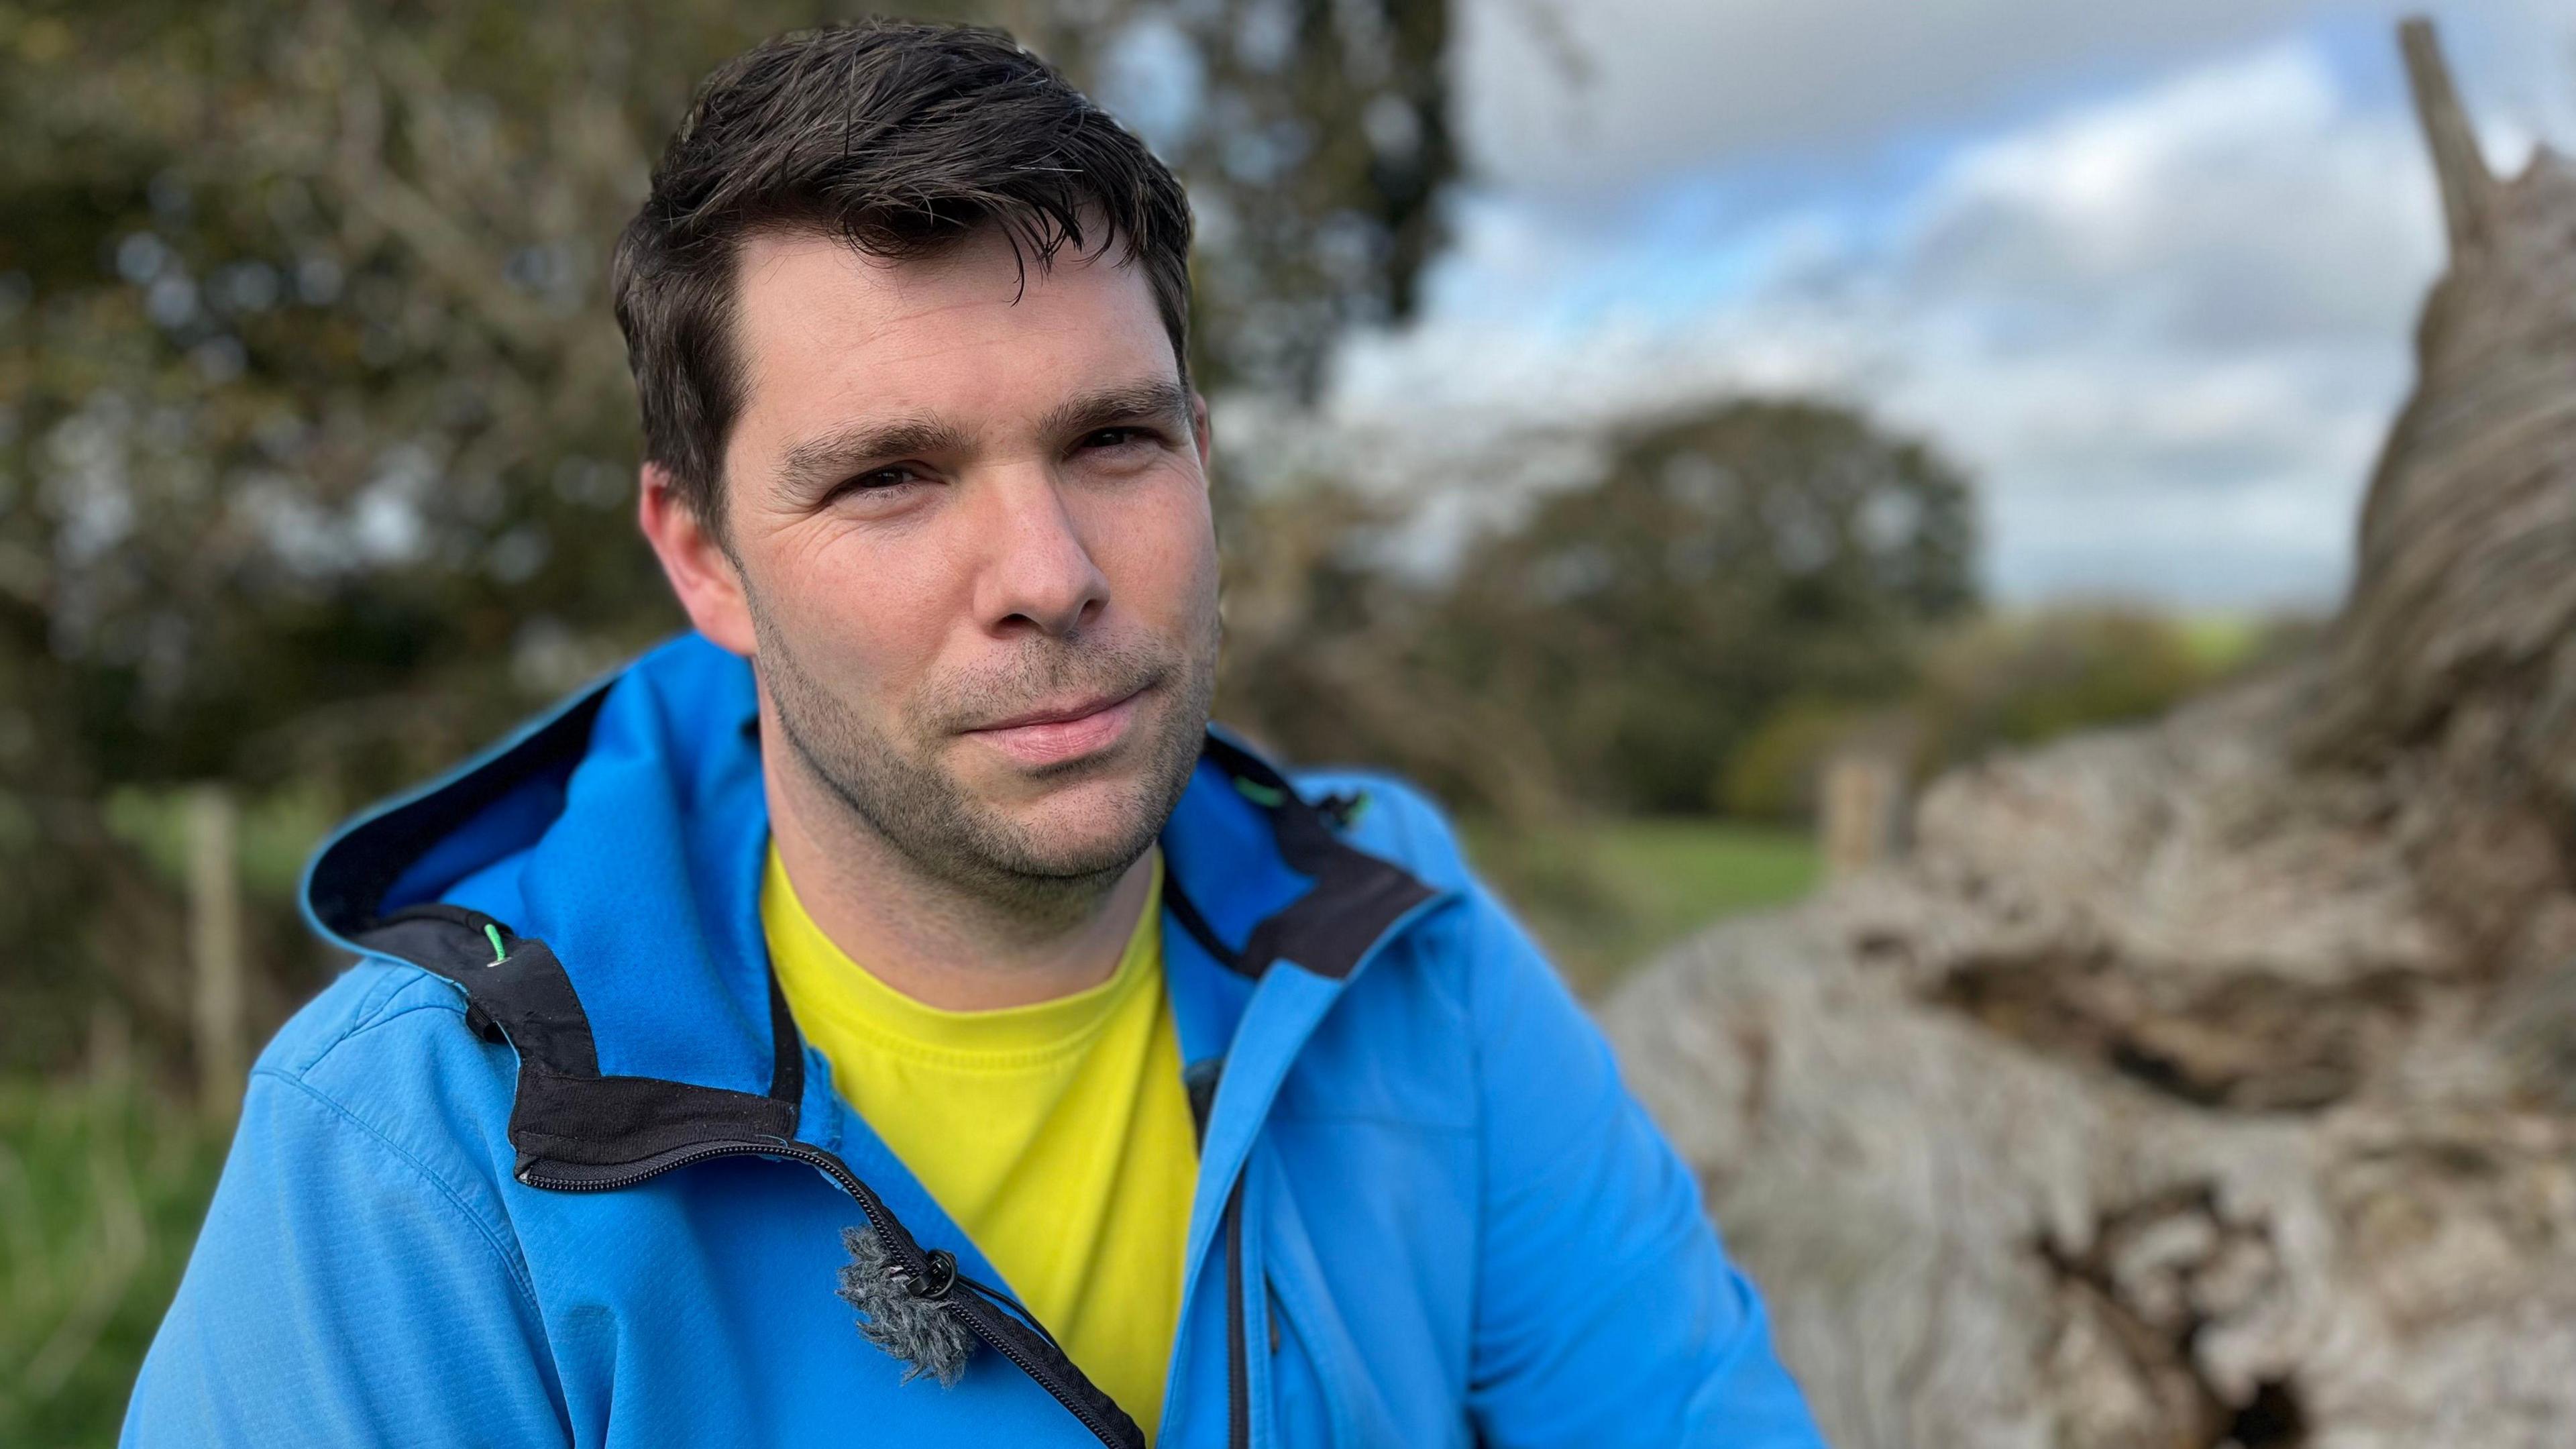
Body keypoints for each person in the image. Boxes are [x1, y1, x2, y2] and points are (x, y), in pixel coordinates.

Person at [123, 19, 1823, 1448]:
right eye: (891, 478)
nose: (1052, 576)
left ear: (1204, 455)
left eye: (1113, 442)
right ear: (702, 554)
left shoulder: (1397, 942)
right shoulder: (413, 1153)